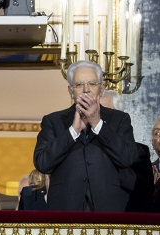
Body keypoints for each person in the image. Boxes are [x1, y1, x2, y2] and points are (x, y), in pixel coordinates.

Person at [33, 60, 138, 212]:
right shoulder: (53, 121)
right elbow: (42, 163)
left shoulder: (119, 119)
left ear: (101, 88)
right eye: (79, 85)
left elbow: (128, 157)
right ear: (70, 90)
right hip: (65, 208)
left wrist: (97, 123)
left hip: (107, 207)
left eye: (92, 84)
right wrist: (73, 131)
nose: (86, 89)